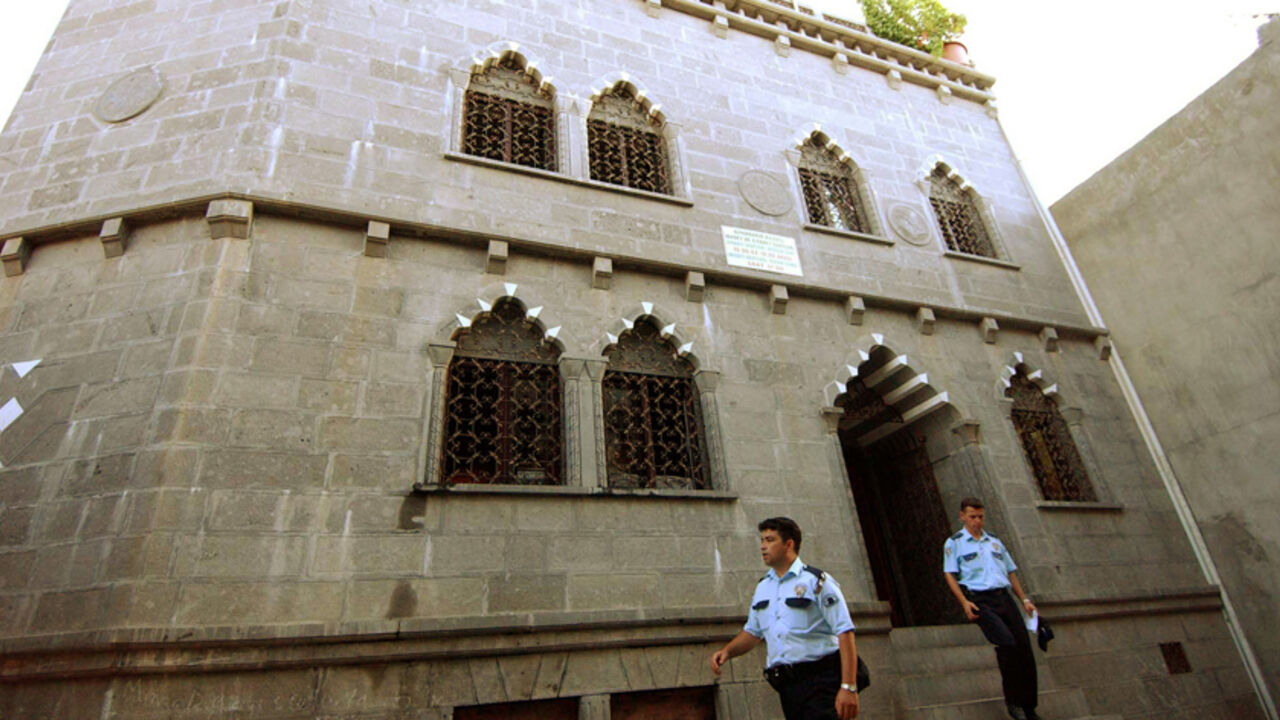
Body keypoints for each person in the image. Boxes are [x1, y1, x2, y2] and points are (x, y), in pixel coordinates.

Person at [710, 517, 859, 720]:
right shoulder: (763, 587)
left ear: (789, 544)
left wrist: (848, 686)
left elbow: (845, 631)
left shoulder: (816, 581)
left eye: (770, 540)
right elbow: (753, 632)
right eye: (762, 540)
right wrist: (727, 651)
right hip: (788, 687)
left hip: (821, 680)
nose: (763, 546)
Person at [943, 497, 1041, 720]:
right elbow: (949, 573)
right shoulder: (955, 543)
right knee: (1006, 643)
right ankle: (1013, 701)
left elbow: (1010, 572)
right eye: (972, 516)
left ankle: (1029, 707)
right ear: (962, 516)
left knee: (1024, 649)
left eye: (980, 516)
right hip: (981, 600)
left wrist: (1025, 600)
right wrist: (964, 602)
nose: (977, 521)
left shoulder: (994, 542)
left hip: (1004, 598)